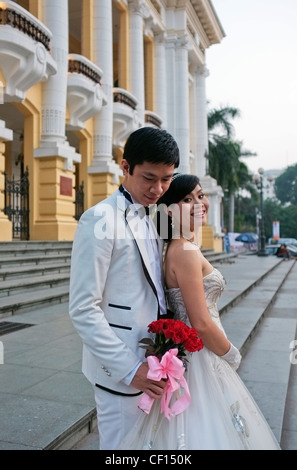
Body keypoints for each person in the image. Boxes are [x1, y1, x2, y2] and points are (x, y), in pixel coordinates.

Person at [118, 173, 281, 450]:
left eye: (200, 195)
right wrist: (231, 353)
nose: (199, 203)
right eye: (187, 199)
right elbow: (201, 323)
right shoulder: (185, 252)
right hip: (202, 354)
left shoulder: (183, 246)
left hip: (199, 352)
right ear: (168, 209)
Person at [68, 126, 180, 450]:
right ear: (125, 166)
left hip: (156, 362)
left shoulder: (156, 218)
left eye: (167, 178)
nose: (158, 188)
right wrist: (131, 370)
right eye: (149, 177)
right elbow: (82, 309)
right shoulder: (98, 218)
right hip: (121, 371)